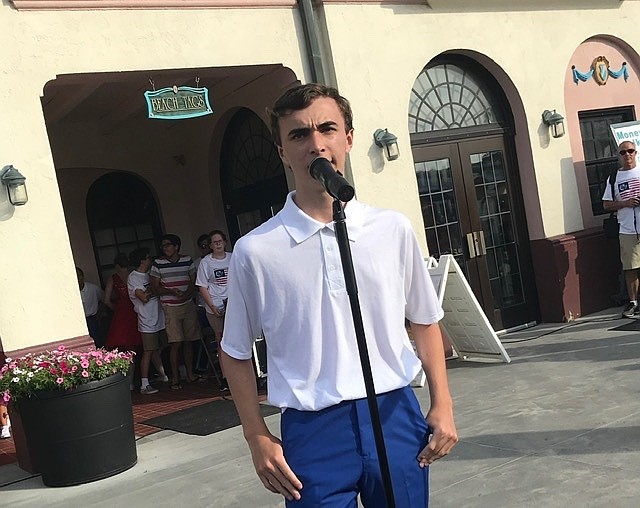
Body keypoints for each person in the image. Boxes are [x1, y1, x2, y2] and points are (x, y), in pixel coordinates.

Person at [221, 83, 458, 507]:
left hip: (394, 413)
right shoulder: (256, 250)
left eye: (327, 128)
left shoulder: (391, 229)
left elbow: (423, 318)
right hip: (313, 428)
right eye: (298, 135)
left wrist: (443, 402)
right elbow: (235, 351)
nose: (316, 144)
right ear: (281, 152)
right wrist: (256, 435)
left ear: (347, 138)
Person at [150, 234, 201, 389]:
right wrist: (171, 292)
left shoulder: (187, 260)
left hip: (187, 304)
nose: (165, 248)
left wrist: (187, 294)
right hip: (170, 306)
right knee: (175, 342)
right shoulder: (158, 264)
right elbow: (154, 287)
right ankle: (175, 378)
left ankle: (190, 374)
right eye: (163, 246)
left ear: (176, 246)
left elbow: (194, 281)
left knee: (189, 340)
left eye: (168, 245)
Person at [603, 140, 640, 318]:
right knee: (630, 267)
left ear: (636, 153)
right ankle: (633, 302)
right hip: (627, 229)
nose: (628, 155)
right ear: (619, 156)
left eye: (631, 151)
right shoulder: (614, 178)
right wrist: (625, 203)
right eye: (624, 152)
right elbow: (606, 204)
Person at [128, 247, 168, 395]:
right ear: (142, 260)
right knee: (148, 350)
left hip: (158, 316)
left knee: (155, 349)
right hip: (147, 319)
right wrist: (154, 290)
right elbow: (143, 297)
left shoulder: (149, 274)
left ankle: (163, 375)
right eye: (148, 258)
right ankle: (144, 384)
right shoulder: (134, 277)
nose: (151, 260)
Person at [196, 229, 231, 390]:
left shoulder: (233, 257)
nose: (217, 244)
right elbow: (202, 285)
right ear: (210, 246)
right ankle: (226, 377)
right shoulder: (206, 262)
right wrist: (211, 306)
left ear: (224, 242)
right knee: (221, 339)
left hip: (233, 303)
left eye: (220, 241)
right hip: (215, 304)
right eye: (214, 242)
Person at [104, 253, 142, 352]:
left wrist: (116, 309)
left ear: (117, 265)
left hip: (121, 312)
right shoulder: (134, 275)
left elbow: (106, 301)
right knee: (142, 339)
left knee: (123, 341)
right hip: (136, 308)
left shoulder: (113, 278)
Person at [76, 266, 104, 347]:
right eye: (76, 276)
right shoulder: (71, 291)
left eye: (80, 276)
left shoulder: (93, 288)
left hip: (93, 319)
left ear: (83, 276)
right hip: (80, 322)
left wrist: (99, 313)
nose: (78, 278)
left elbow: (103, 299)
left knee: (97, 342)